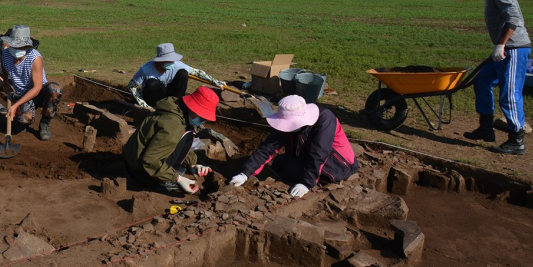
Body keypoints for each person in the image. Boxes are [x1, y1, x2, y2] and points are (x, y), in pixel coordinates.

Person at [456, 0, 531, 155]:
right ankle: (486, 128)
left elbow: (513, 16)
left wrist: (501, 44)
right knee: (482, 81)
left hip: (514, 48)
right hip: (504, 49)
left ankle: (517, 140)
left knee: (510, 93)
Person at [229, 95, 358, 197]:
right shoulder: (289, 116)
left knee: (292, 170)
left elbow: (319, 152)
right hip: (306, 153)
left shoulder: (325, 120)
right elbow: (267, 148)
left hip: (338, 163)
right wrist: (245, 174)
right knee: (278, 163)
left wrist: (307, 183)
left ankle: (318, 178)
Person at [123, 86, 220, 194]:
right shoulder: (173, 124)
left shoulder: (177, 109)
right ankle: (158, 181)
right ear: (192, 108)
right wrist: (178, 179)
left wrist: (193, 164)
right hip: (140, 170)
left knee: (188, 134)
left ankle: (166, 172)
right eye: (202, 116)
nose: (204, 120)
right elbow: (150, 161)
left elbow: (178, 142)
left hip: (134, 158)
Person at [2, 25, 61, 141]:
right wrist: (5, 82)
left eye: (21, 46)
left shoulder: (35, 58)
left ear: (27, 46)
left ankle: (45, 124)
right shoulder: (6, 53)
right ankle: (23, 121)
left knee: (54, 90)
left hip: (39, 92)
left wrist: (15, 105)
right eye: (15, 46)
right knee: (24, 120)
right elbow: (3, 66)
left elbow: (37, 88)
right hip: (22, 93)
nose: (17, 48)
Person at [128, 43, 225, 110]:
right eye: (168, 61)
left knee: (183, 73)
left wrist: (216, 82)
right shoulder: (146, 69)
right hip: (153, 96)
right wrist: (143, 104)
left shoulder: (177, 65)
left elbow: (198, 72)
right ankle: (157, 107)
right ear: (160, 61)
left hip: (169, 93)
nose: (171, 63)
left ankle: (177, 103)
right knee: (152, 83)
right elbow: (132, 86)